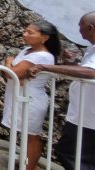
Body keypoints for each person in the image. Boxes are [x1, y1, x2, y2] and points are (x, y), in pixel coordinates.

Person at [26, 12, 95, 170]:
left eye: (80, 26)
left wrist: (44, 67)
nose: (79, 29)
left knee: (71, 154)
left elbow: (91, 71)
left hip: (89, 119)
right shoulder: (92, 49)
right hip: (83, 115)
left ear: (91, 28)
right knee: (72, 154)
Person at [2, 20, 61, 170]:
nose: (25, 34)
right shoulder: (28, 50)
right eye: (25, 30)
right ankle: (25, 162)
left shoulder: (43, 56)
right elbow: (18, 76)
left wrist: (8, 62)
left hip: (31, 99)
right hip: (20, 95)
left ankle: (30, 167)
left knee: (32, 136)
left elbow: (12, 73)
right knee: (25, 133)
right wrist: (14, 71)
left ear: (44, 37)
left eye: (30, 32)